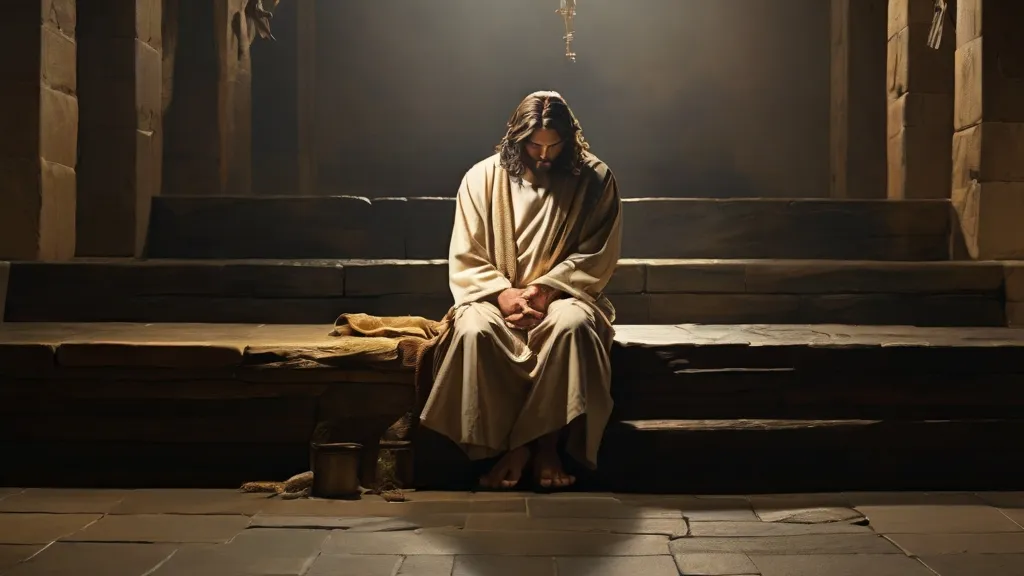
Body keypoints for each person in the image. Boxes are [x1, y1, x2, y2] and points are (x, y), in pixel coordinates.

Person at [419, 91, 623, 490]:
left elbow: (597, 253)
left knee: (573, 328)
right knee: (474, 331)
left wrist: (546, 291)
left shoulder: (596, 180)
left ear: (570, 139)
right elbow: (467, 251)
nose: (544, 155)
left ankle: (543, 446)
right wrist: (503, 294)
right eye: (534, 145)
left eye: (554, 145)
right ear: (516, 137)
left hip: (564, 296)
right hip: (494, 297)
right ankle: (502, 448)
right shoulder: (481, 179)